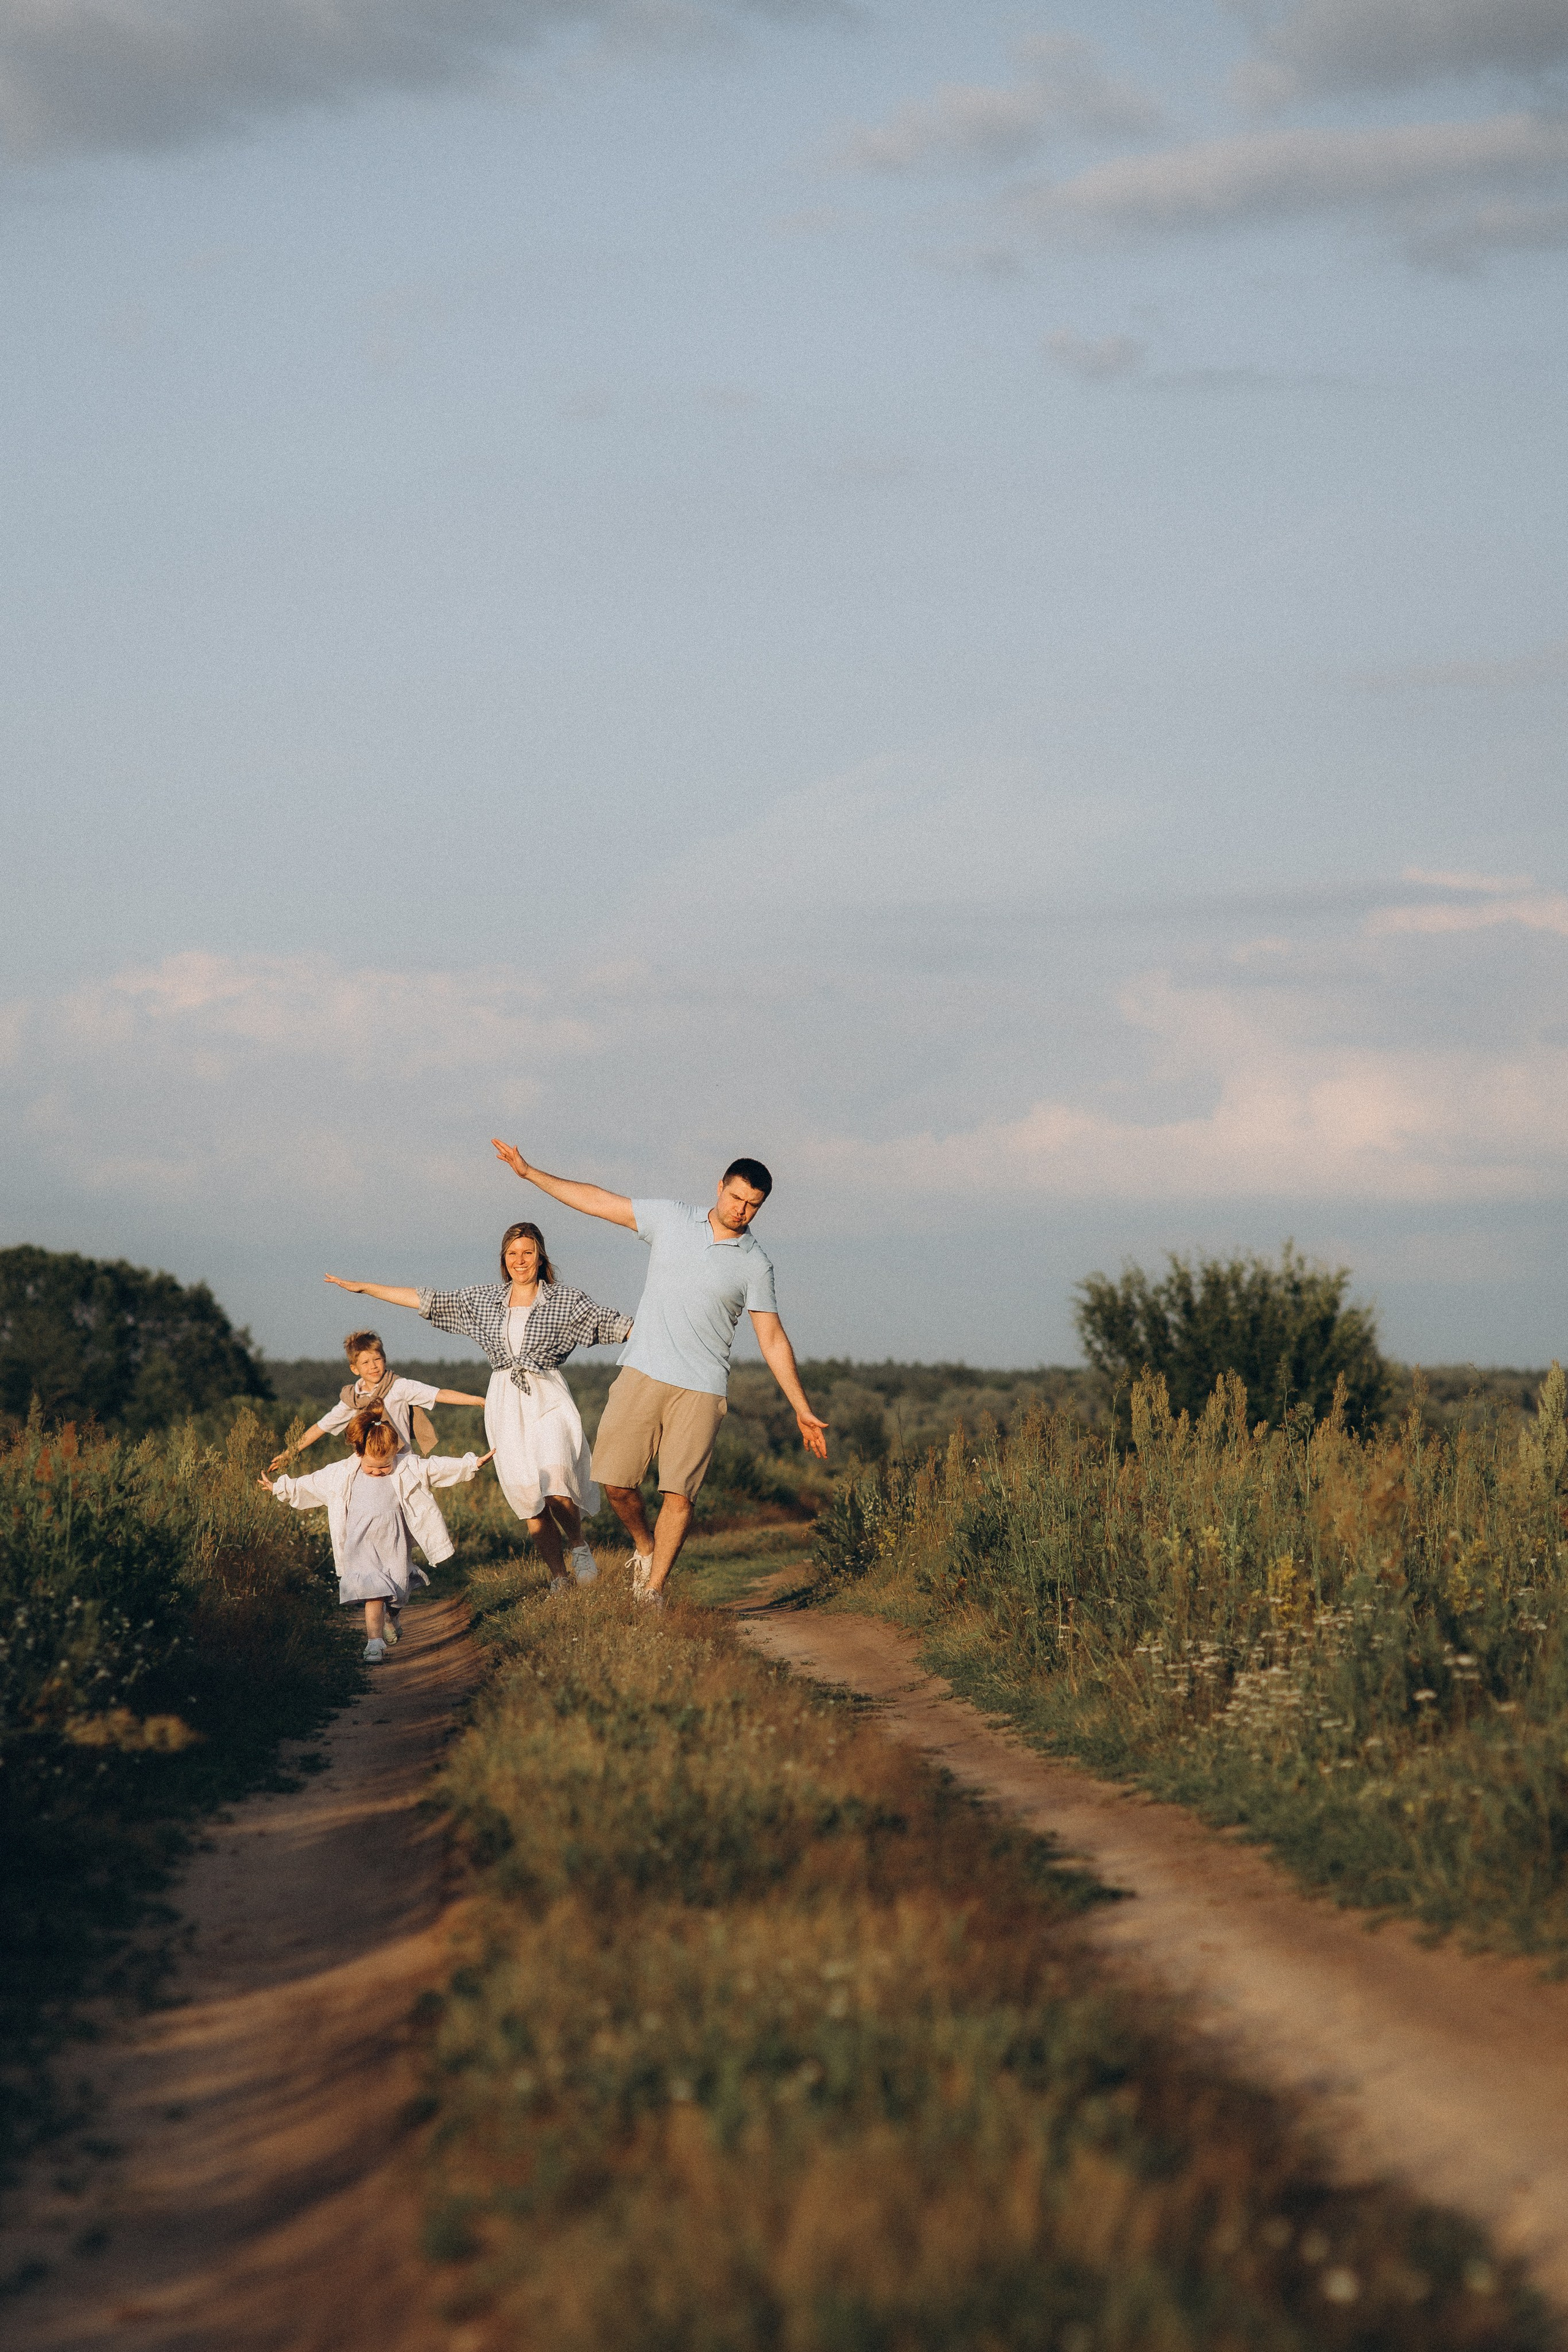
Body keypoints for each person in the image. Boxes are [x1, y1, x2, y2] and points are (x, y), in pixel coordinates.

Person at [490, 1139, 827, 1605]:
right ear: (720, 1188)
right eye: (736, 1198)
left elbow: (771, 1338)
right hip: (642, 1372)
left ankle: (653, 1592)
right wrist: (530, 1173)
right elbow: (599, 1202)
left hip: (703, 1387)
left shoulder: (755, 1264)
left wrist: (801, 1408)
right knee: (616, 1483)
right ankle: (644, 1546)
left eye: (753, 1205)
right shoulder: (671, 1218)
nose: (741, 1210)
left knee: (679, 1493)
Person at [322, 1227, 632, 1595]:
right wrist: (366, 1288)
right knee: (528, 1497)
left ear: (541, 1257)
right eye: (512, 1253)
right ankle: (558, 1578)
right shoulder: (486, 1301)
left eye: (528, 1253)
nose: (520, 1260)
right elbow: (430, 1301)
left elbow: (612, 1323)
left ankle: (578, 1545)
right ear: (504, 1260)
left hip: (547, 1396)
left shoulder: (565, 1301)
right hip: (505, 1400)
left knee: (558, 1480)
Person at [260, 1404, 492, 1661]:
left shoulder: (406, 1466)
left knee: (396, 1594)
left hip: (393, 1543)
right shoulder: (343, 1472)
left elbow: (435, 1468)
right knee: (374, 1592)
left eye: (385, 1467)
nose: (378, 1472)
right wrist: (280, 1488)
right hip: (360, 1545)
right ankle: (374, 1643)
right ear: (359, 1452)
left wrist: (471, 1464)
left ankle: (392, 1619)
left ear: (395, 1453)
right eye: (372, 1467)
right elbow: (313, 1483)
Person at [267, 1328, 487, 1473]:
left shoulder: (399, 1387)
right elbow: (321, 1427)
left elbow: (439, 1394)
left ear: (385, 1359)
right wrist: (289, 1452)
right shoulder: (352, 1399)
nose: (373, 1366)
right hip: (369, 1464)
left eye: (377, 1359)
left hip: (400, 1462)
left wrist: (478, 1400)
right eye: (365, 1363)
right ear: (355, 1369)